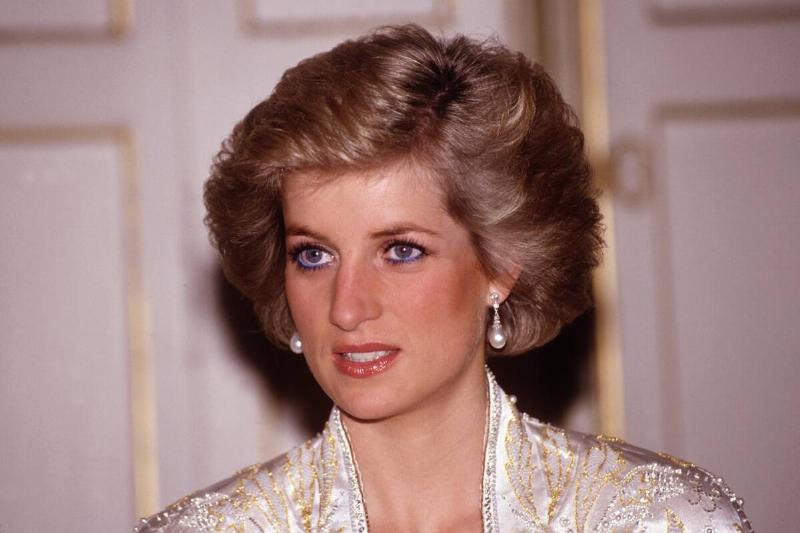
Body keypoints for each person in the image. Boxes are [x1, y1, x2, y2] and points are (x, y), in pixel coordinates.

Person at [135, 24, 751, 532]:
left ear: (502, 265)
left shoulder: (658, 522)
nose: (346, 309)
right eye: (314, 256)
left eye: (401, 250)